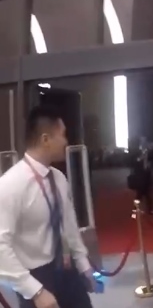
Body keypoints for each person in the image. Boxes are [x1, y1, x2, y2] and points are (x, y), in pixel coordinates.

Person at [0, 105, 98, 308]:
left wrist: (83, 264)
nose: (66, 141)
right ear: (45, 139)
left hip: (66, 268)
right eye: (62, 135)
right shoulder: (10, 185)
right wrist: (35, 291)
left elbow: (69, 224)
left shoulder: (59, 178)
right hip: (35, 276)